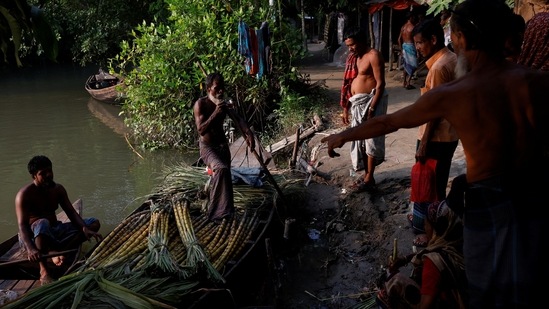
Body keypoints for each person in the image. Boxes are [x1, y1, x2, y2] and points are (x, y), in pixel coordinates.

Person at [321, 0, 549, 307]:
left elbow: (389, 122)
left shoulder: (456, 94)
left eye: (452, 36)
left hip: (488, 203)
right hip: (535, 192)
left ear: (463, 39)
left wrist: (342, 135)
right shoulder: (537, 82)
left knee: (488, 289)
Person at [408, 18, 459, 247]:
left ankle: (432, 236)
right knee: (437, 183)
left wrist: (424, 142)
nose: (417, 48)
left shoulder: (439, 68)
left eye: (420, 43)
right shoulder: (451, 58)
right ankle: (436, 229)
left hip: (436, 137)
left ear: (434, 40)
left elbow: (434, 110)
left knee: (431, 188)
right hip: (448, 135)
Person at [15, 155, 102, 285]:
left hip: (55, 231)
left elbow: (71, 212)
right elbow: (22, 225)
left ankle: (55, 252)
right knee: (43, 222)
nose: (48, 175)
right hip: (34, 237)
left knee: (94, 223)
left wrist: (84, 228)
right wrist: (30, 249)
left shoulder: (57, 189)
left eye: (49, 170)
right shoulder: (24, 194)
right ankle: (43, 270)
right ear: (34, 175)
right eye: (43, 173)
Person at [378, 186, 468, 309]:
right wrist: (405, 259)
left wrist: (392, 274)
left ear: (436, 228)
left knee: (394, 283)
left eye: (427, 224)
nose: (425, 229)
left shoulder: (435, 262)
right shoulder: (461, 244)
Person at [193, 72, 255, 222]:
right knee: (221, 169)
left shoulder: (224, 104)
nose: (221, 91)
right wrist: (216, 113)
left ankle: (227, 212)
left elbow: (238, 119)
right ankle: (215, 215)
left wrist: (248, 133)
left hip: (222, 147)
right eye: (217, 88)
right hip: (208, 148)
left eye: (222, 88)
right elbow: (201, 129)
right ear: (209, 89)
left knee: (225, 177)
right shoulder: (200, 104)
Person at [339, 27, 388, 191]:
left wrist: (373, 108)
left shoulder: (373, 55)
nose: (350, 49)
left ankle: (369, 177)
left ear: (360, 41)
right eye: (348, 46)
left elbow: (381, 84)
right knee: (359, 139)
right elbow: (347, 83)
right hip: (357, 103)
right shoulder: (354, 57)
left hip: (371, 102)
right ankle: (366, 173)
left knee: (371, 140)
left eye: (352, 45)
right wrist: (346, 107)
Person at [398, 11, 419, 89]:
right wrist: (417, 50)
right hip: (411, 46)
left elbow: (399, 39)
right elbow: (415, 40)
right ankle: (408, 82)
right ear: (411, 18)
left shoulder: (403, 27)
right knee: (414, 65)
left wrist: (401, 49)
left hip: (404, 46)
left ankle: (404, 82)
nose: (414, 19)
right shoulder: (413, 27)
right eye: (413, 17)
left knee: (406, 65)